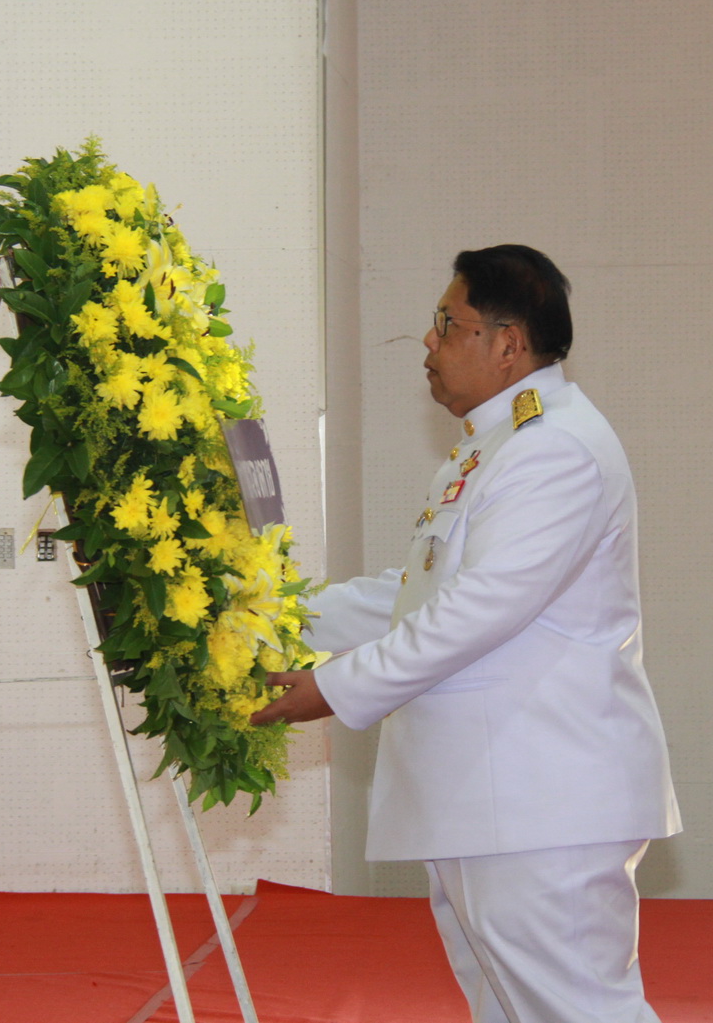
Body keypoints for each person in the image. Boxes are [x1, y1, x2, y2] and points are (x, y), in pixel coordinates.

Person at [252, 244, 681, 1023]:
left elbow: (480, 608)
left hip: (538, 799)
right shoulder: (499, 443)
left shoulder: (554, 448)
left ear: (508, 343)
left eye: (448, 324)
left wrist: (335, 686)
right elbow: (419, 591)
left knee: (578, 1010)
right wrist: (278, 618)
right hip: (487, 795)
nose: (427, 342)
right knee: (508, 1009)